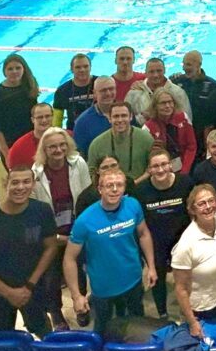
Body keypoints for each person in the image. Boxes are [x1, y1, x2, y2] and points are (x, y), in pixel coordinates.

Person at [65, 167, 157, 335]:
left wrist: (151, 266)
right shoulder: (85, 220)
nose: (115, 190)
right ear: (100, 189)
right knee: (103, 329)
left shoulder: (133, 205)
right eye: (109, 185)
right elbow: (69, 259)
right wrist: (76, 295)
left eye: (119, 185)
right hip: (103, 288)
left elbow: (143, 234)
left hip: (133, 280)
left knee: (137, 325)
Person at [0, 166, 58, 335]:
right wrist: (9, 293)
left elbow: (51, 247)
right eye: (15, 182)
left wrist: (30, 285)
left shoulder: (42, 211)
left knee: (43, 331)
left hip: (33, 287)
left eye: (26, 182)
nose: (21, 187)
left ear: (33, 185)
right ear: (5, 184)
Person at [31, 128, 91, 331]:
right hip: (51, 234)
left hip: (76, 230)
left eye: (62, 144)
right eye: (52, 146)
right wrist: (52, 236)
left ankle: (81, 305)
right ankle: (55, 313)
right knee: (52, 276)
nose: (58, 149)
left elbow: (86, 196)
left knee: (79, 271)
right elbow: (35, 209)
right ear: (44, 150)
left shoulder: (78, 163)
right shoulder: (36, 172)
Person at [134, 147, 194, 319]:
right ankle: (162, 313)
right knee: (157, 278)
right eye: (155, 166)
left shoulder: (185, 183)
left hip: (182, 241)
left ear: (171, 165)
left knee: (186, 278)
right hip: (156, 243)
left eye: (164, 164)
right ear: (149, 169)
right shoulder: (141, 191)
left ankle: (189, 311)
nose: (160, 169)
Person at [172, 183, 216, 337]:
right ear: (192, 209)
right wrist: (192, 322)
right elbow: (180, 289)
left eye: (211, 201)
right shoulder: (186, 244)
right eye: (201, 203)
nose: (208, 207)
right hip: (201, 308)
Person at [0, 54, 40, 170]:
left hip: (32, 142)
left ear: (24, 69)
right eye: (10, 69)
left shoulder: (30, 87)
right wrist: (7, 153)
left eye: (18, 68)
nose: (14, 71)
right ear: (4, 71)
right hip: (11, 145)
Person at [87, 102, 154, 183]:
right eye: (116, 116)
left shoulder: (146, 139)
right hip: (109, 191)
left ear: (131, 117)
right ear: (109, 118)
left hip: (141, 188)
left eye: (124, 116)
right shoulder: (96, 145)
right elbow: (92, 174)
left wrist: (136, 182)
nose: (120, 120)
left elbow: (152, 168)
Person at [172, 50, 216, 149]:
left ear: (199, 65)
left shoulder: (213, 86)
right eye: (184, 64)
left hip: (202, 138)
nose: (184, 68)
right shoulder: (176, 82)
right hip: (181, 136)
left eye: (188, 65)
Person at [143, 88, 197, 174]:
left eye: (170, 102)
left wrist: (184, 171)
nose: (168, 106)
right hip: (161, 171)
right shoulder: (148, 127)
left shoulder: (183, 117)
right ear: (155, 106)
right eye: (163, 103)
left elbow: (191, 146)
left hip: (186, 168)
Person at [126, 57, 192, 126]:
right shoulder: (134, 93)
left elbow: (187, 121)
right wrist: (141, 118)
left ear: (164, 70)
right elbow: (125, 119)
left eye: (159, 71)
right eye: (151, 71)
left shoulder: (178, 93)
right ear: (145, 72)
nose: (155, 75)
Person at [73, 76, 117, 156]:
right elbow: (81, 155)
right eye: (103, 90)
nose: (108, 93)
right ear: (95, 93)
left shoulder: (126, 114)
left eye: (111, 89)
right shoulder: (83, 122)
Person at [53, 53, 97, 130]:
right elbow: (56, 123)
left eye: (85, 66)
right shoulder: (62, 91)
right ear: (71, 69)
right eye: (78, 67)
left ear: (90, 67)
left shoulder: (100, 84)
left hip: (97, 131)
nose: (82, 70)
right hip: (73, 132)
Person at [7, 102, 55, 169]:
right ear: (32, 120)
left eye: (47, 116)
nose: (44, 120)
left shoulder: (67, 137)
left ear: (52, 117)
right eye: (40, 117)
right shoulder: (19, 147)